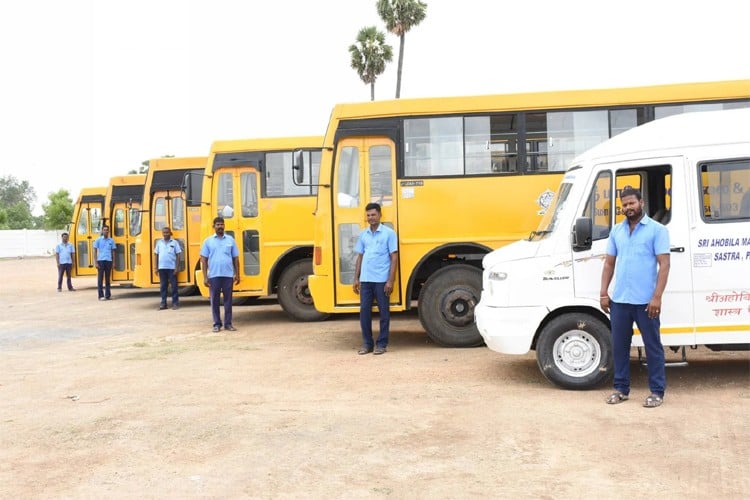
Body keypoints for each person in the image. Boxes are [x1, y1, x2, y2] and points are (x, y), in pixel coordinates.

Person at [600, 186, 670, 408]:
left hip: (645, 302)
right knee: (619, 346)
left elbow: (664, 265)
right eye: (625, 204)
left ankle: (657, 392)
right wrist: (603, 292)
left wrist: (656, 297)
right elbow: (609, 263)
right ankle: (621, 389)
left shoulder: (657, 230)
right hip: (620, 301)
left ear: (641, 203)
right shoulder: (617, 232)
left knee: (653, 347)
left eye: (632, 203)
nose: (628, 207)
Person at [353, 203, 398, 355]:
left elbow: (394, 258)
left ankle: (382, 344)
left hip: (381, 281)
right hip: (366, 280)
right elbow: (360, 256)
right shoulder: (363, 234)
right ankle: (367, 343)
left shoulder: (389, 233)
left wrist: (390, 280)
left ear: (380, 215)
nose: (371, 218)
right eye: (368, 215)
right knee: (364, 312)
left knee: (384, 313)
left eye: (373, 215)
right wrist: (356, 278)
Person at [200, 217, 240, 332]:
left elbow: (235, 258)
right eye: (218, 225)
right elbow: (204, 260)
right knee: (215, 301)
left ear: (224, 226)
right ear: (214, 226)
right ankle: (217, 324)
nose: (220, 227)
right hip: (214, 276)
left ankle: (228, 324)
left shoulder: (230, 240)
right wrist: (205, 277)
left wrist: (237, 274)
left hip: (228, 276)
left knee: (228, 301)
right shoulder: (208, 241)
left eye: (222, 224)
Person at [154, 226, 182, 310]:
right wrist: (156, 267)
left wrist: (176, 268)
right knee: (163, 286)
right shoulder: (159, 243)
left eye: (167, 232)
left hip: (172, 268)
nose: (165, 234)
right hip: (162, 268)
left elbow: (178, 255)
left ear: (170, 233)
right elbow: (156, 255)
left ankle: (175, 303)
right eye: (164, 233)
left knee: (174, 286)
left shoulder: (174, 243)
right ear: (162, 233)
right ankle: (163, 303)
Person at [93, 224, 117, 301]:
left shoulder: (111, 240)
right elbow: (95, 251)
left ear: (108, 231)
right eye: (104, 230)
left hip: (109, 261)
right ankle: (100, 296)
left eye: (107, 230)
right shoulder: (98, 240)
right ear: (102, 231)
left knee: (107, 279)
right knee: (100, 279)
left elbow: (113, 252)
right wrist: (96, 262)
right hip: (100, 261)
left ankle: (108, 295)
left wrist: (113, 262)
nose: (106, 231)